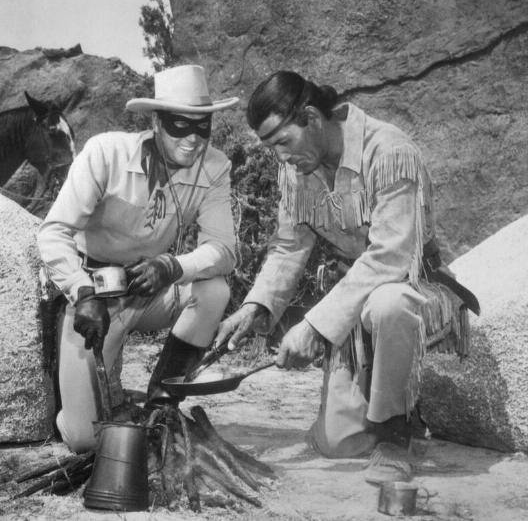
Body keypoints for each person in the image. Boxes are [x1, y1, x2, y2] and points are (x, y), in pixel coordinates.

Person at [215, 70, 475, 485]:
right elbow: (289, 247)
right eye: (270, 147)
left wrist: (315, 327)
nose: (280, 157)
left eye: (283, 142)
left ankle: (395, 433)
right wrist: (256, 306)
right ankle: (384, 393)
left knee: (388, 304)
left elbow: (391, 257)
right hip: (353, 305)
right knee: (338, 443)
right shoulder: (298, 171)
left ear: (312, 118)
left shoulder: (390, 151)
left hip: (412, 287)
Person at [37, 65, 239, 453]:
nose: (193, 138)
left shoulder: (214, 167)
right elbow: (53, 232)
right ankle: (79, 393)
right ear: (156, 122)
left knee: (214, 290)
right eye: (180, 125)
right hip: (95, 300)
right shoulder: (106, 154)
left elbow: (224, 249)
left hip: (150, 290)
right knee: (84, 439)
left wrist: (172, 266)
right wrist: (81, 292)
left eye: (203, 126)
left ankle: (162, 404)